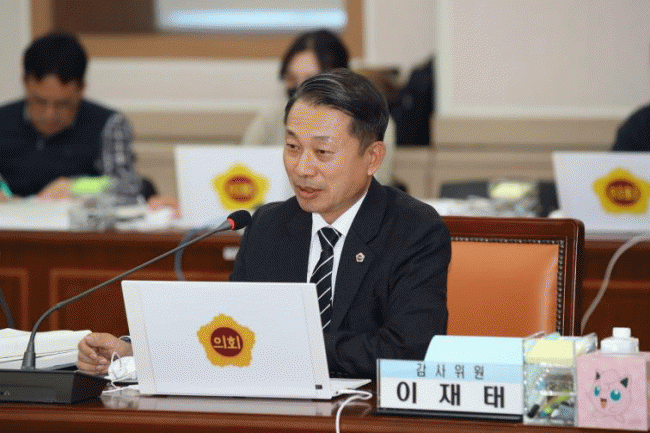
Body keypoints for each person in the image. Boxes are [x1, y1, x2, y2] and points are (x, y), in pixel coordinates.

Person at [77, 70, 450, 378]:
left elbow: (410, 349)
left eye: (322, 152)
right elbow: (230, 333)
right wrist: (135, 352)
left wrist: (289, 345)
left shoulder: (414, 230)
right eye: (292, 147)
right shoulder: (269, 226)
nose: (302, 168)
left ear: (372, 158)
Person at [0, 32, 163, 203]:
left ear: (81, 89)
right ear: (25, 83)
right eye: (39, 102)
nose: (50, 114)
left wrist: (77, 187)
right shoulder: (3, 121)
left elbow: (130, 186)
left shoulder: (108, 124)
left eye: (63, 104)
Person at [241, 29, 397, 187]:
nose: (300, 88)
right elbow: (244, 163)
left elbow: (374, 184)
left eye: (310, 80)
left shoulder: (373, 120)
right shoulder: (273, 116)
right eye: (292, 79)